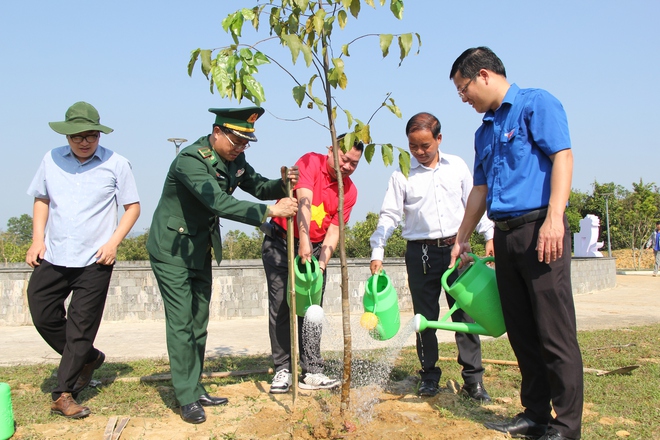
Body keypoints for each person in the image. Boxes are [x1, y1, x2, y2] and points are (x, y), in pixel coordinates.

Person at [449, 47, 583, 440]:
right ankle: (535, 414)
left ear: (485, 75)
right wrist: (461, 237)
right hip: (505, 237)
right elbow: (480, 189)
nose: (463, 97)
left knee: (554, 333)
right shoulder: (484, 131)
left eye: (464, 88)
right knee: (522, 332)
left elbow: (562, 156)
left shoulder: (534, 104)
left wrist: (555, 217)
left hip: (542, 231)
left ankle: (567, 425)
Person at [147, 106, 298, 424]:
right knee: (181, 323)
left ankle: (194, 385)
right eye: (236, 141)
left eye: (246, 143)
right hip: (171, 249)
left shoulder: (235, 159)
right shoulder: (191, 160)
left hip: (200, 249)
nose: (241, 148)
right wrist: (270, 212)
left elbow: (257, 186)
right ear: (217, 132)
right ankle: (186, 397)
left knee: (198, 323)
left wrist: (283, 183)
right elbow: (217, 201)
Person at [25, 101, 141, 419]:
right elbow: (41, 199)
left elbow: (132, 207)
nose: (85, 141)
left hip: (95, 260)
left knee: (80, 327)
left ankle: (64, 393)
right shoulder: (50, 160)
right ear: (67, 135)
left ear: (99, 134)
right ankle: (87, 357)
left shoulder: (117, 164)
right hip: (55, 254)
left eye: (91, 135)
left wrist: (113, 243)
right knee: (42, 311)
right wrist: (37, 240)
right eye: (78, 136)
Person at [369, 112, 494, 401]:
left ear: (439, 138)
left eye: (426, 145)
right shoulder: (401, 172)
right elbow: (389, 214)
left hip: (458, 251)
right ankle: (428, 376)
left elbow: (475, 204)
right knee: (425, 317)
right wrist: (379, 249)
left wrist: (489, 235)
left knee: (465, 314)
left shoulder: (457, 166)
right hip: (420, 254)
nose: (420, 152)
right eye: (414, 146)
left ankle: (473, 380)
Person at [261, 134, 363, 394]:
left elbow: (334, 231)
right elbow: (304, 203)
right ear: (331, 148)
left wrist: (321, 264)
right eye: (344, 158)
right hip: (282, 243)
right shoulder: (310, 162)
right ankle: (283, 368)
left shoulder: (348, 191)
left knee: (312, 309)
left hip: (316, 252)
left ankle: (312, 370)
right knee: (281, 304)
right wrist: (303, 243)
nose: (347, 167)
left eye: (354, 164)